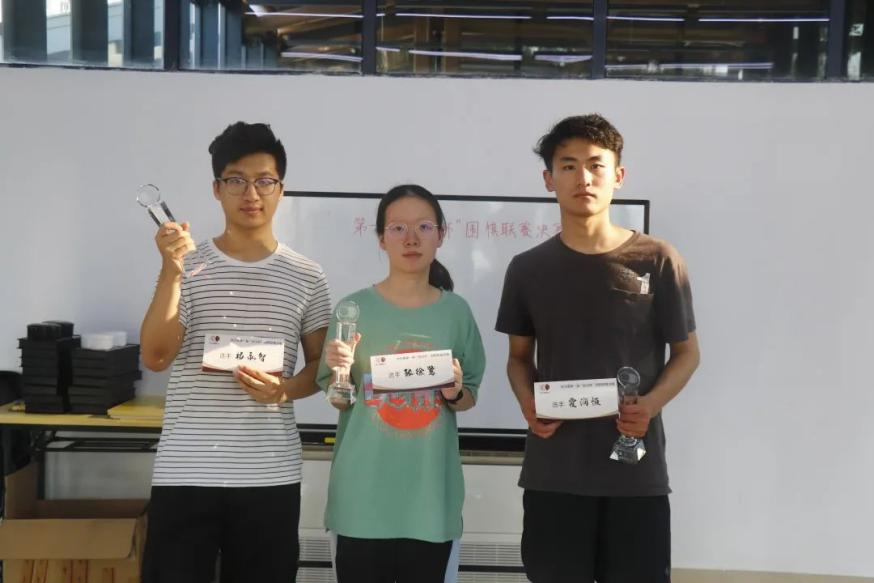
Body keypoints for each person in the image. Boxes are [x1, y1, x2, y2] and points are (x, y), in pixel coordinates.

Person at [496, 114, 700, 582]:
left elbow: (687, 354)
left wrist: (650, 404)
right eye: (568, 166)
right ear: (549, 179)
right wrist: (527, 402)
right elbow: (518, 359)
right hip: (554, 476)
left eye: (595, 165)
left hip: (635, 476)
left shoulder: (658, 259)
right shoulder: (527, 269)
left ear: (618, 176)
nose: (583, 178)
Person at [139, 121, 331, 583]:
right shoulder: (186, 265)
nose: (251, 193)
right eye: (236, 180)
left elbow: (322, 368)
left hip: (269, 474)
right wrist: (172, 271)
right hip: (186, 471)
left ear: (281, 189)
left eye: (264, 181)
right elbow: (156, 356)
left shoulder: (307, 276)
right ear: (216, 189)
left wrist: (283, 391)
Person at [318, 184, 486, 583]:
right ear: (381, 238)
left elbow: (468, 396)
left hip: (429, 499)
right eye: (397, 228)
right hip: (362, 497)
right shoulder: (352, 309)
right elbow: (339, 398)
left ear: (441, 235)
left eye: (424, 226)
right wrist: (341, 375)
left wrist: (455, 391)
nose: (411, 238)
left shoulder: (456, 312)